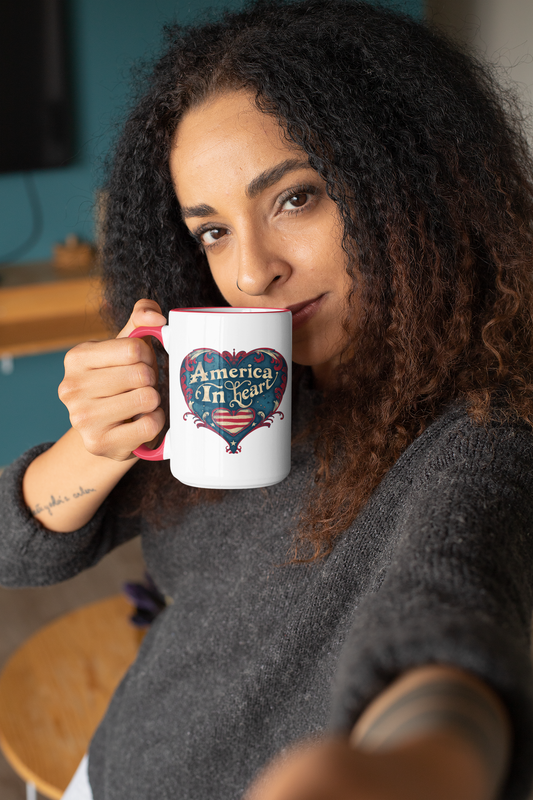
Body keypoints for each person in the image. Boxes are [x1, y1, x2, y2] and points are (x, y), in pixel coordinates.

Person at [2, 0, 533, 798]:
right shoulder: (228, 382)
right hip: (109, 765)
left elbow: (448, 627)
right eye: (212, 231)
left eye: (296, 198)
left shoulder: (480, 430)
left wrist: (418, 765)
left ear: (413, 181)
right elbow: (16, 553)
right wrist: (98, 443)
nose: (250, 274)